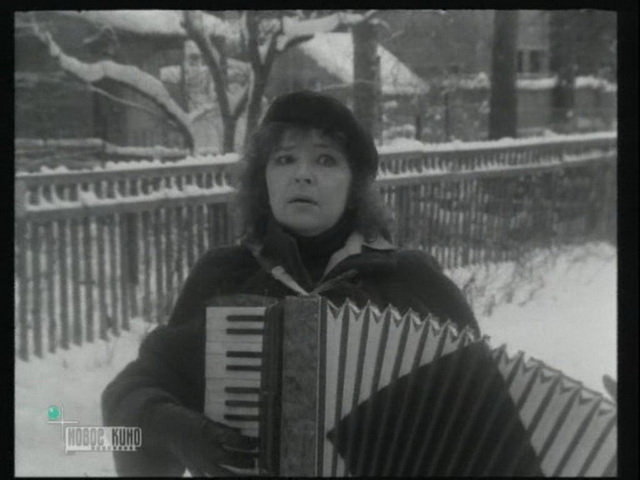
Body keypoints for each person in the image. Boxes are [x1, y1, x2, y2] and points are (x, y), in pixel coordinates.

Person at [102, 91, 479, 476]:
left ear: (354, 188)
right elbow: (128, 394)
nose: (302, 174)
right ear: (263, 180)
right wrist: (177, 431)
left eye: (326, 160)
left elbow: (484, 416)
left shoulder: (412, 281)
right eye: (284, 159)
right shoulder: (224, 276)